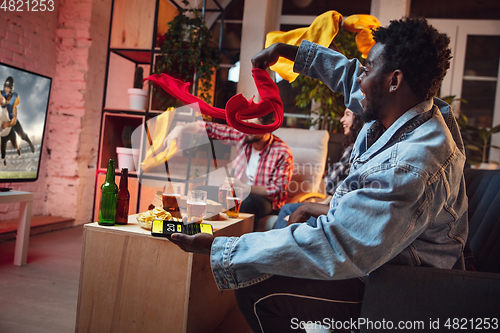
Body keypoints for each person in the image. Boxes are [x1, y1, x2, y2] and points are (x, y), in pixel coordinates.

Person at [168, 17, 468, 333]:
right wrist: (290, 52)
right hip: (385, 256)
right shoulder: (408, 111)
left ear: (394, 80)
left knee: (257, 290)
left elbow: (338, 246)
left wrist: (223, 247)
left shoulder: (411, 163)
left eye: (368, 69)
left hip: (402, 282)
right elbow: (349, 77)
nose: (360, 81)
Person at [165, 112, 293, 222]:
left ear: (266, 128)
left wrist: (245, 187)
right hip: (236, 194)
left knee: (246, 202)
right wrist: (180, 128)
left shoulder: (282, 152)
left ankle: (238, 245)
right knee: (201, 191)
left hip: (267, 203)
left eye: (250, 126)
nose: (244, 129)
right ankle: (199, 236)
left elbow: (277, 190)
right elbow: (211, 128)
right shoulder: (243, 136)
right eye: (245, 124)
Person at [273, 108, 363, 229]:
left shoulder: (355, 150)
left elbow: (330, 184)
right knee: (287, 209)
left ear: (359, 120)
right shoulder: (355, 148)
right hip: (332, 204)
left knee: (289, 219)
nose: (342, 120)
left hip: (339, 211)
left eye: (347, 114)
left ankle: (279, 245)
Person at [1, 77, 35, 158]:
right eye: (5, 87)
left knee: (22, 135)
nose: (6, 89)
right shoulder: (1, 95)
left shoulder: (15, 97)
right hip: (3, 118)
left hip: (12, 118)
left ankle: (30, 142)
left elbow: (14, 112)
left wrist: (11, 122)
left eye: (8, 87)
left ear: (11, 88)